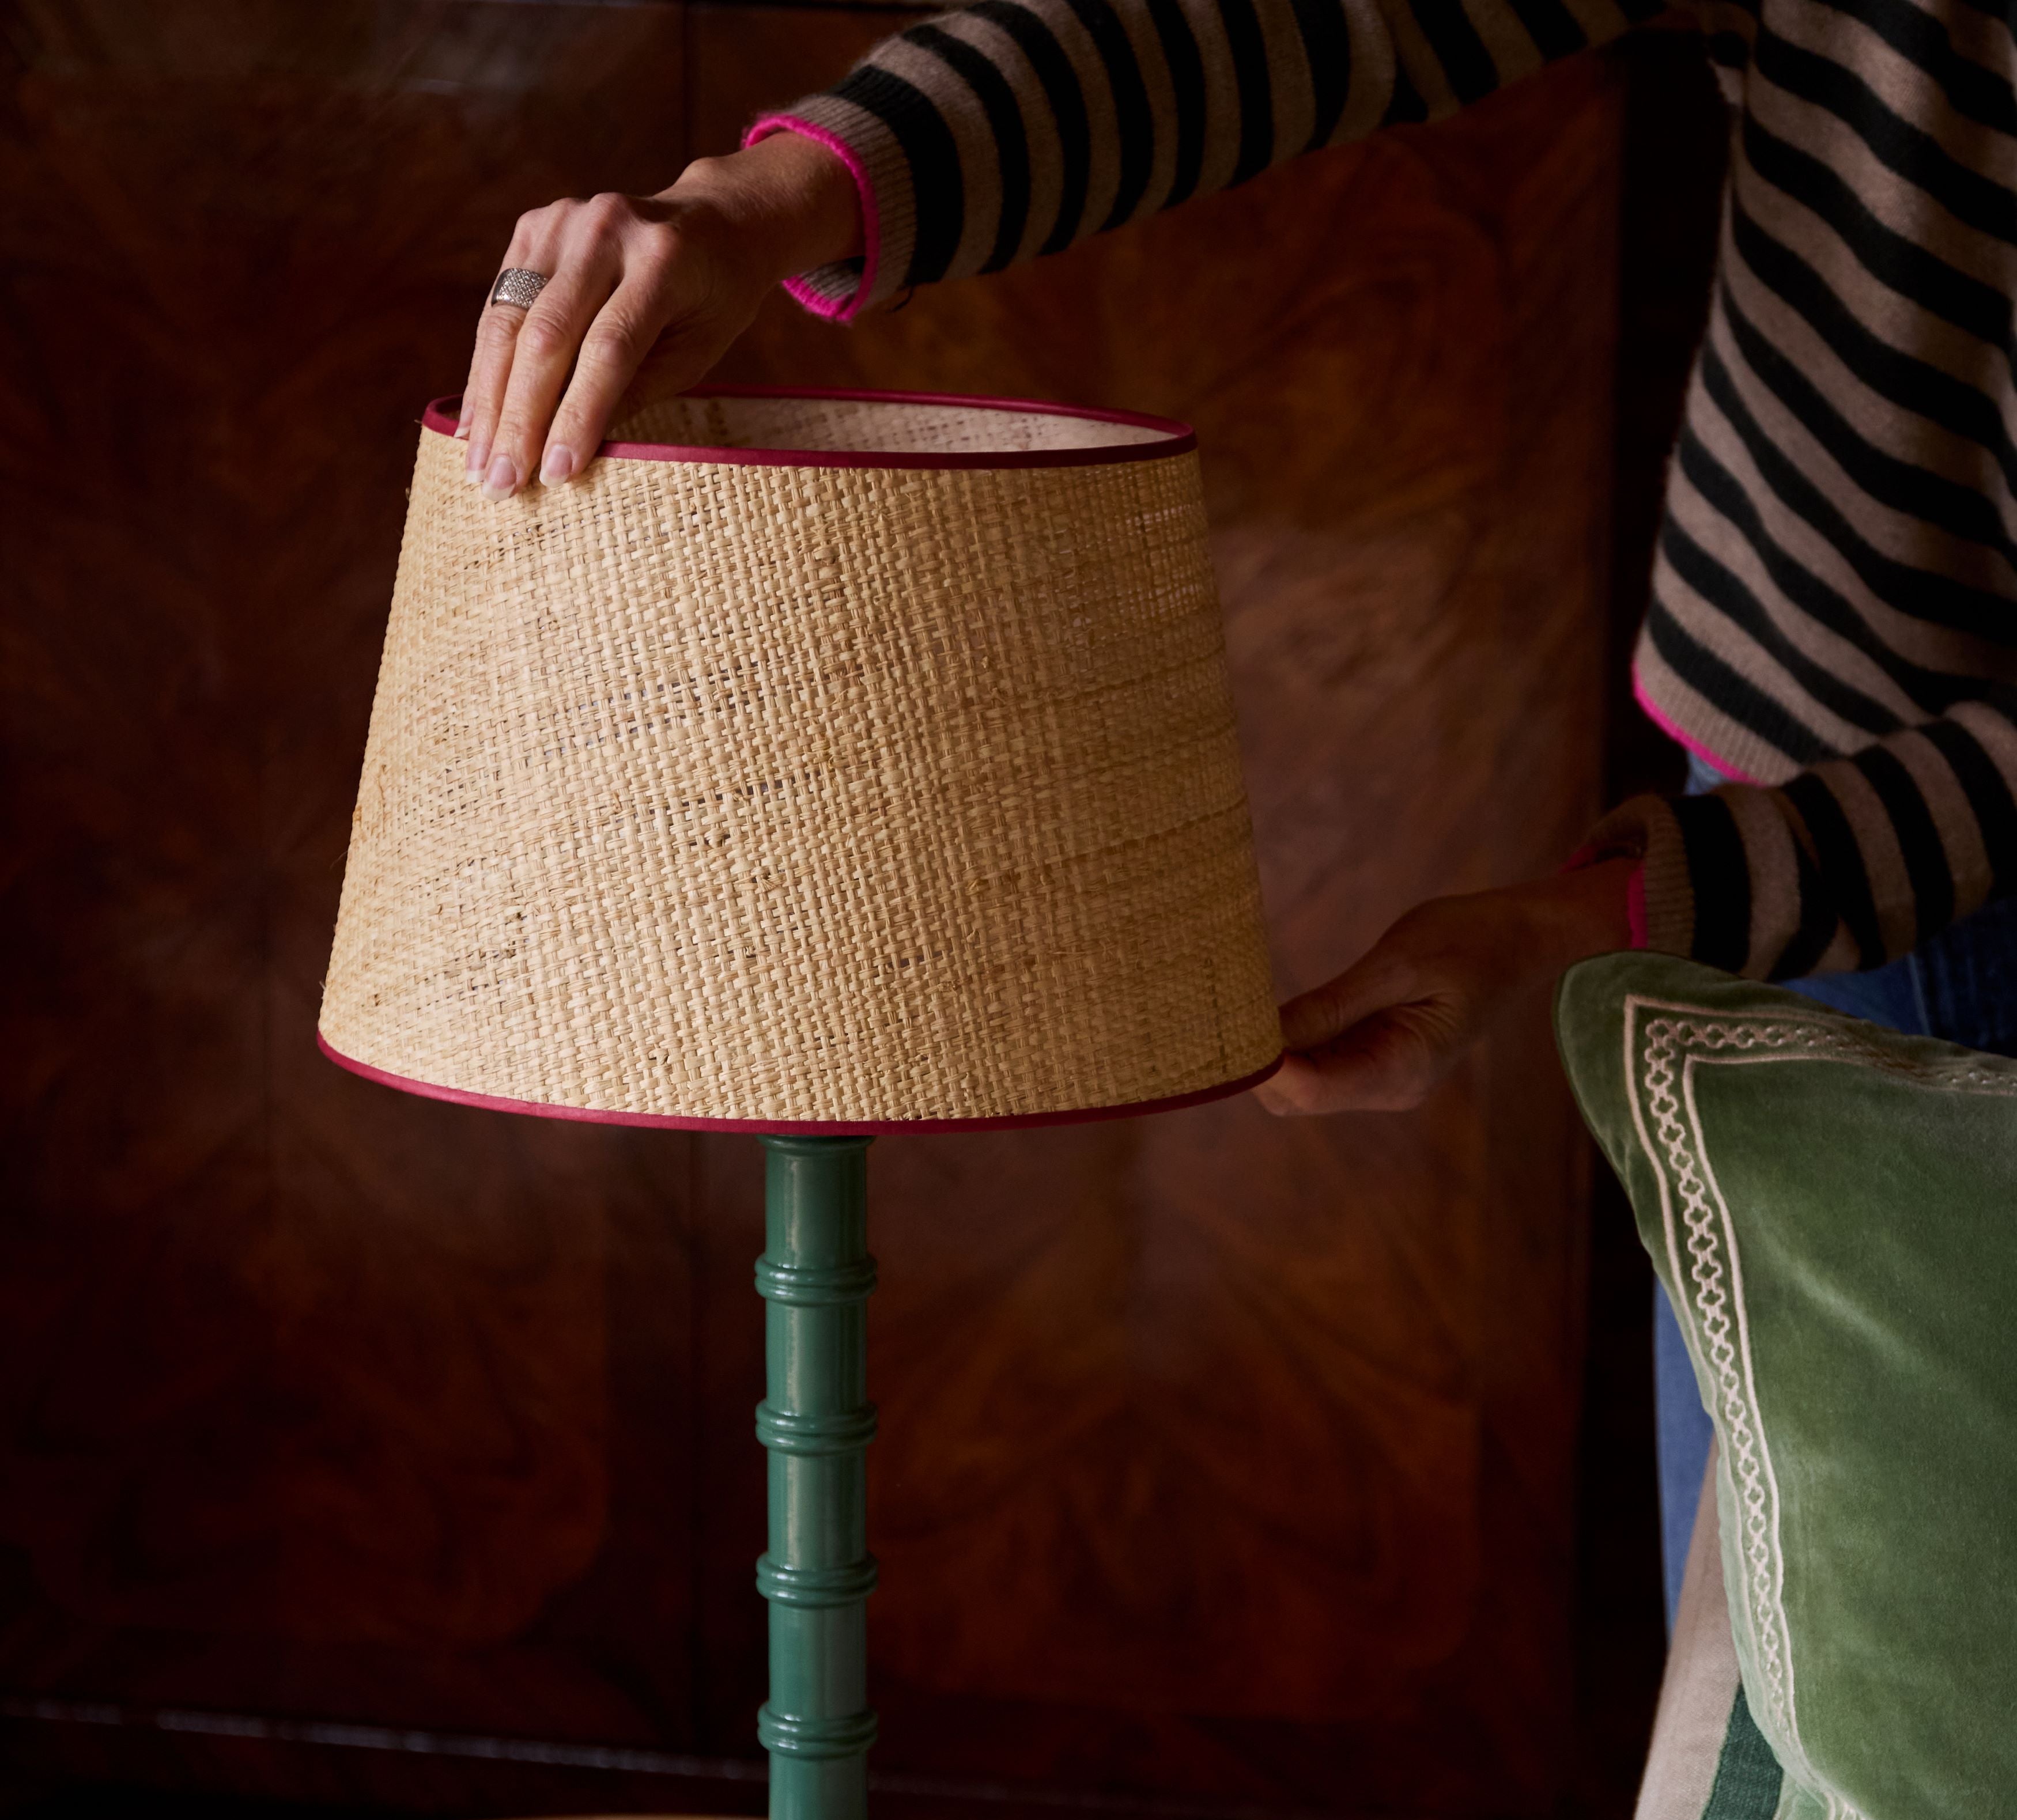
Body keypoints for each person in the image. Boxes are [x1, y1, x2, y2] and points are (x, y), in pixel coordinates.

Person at [452, 0, 2017, 1613]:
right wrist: (770, 196)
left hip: (1812, 849)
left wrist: (1614, 917)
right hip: (1817, 702)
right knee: (1793, 1646)